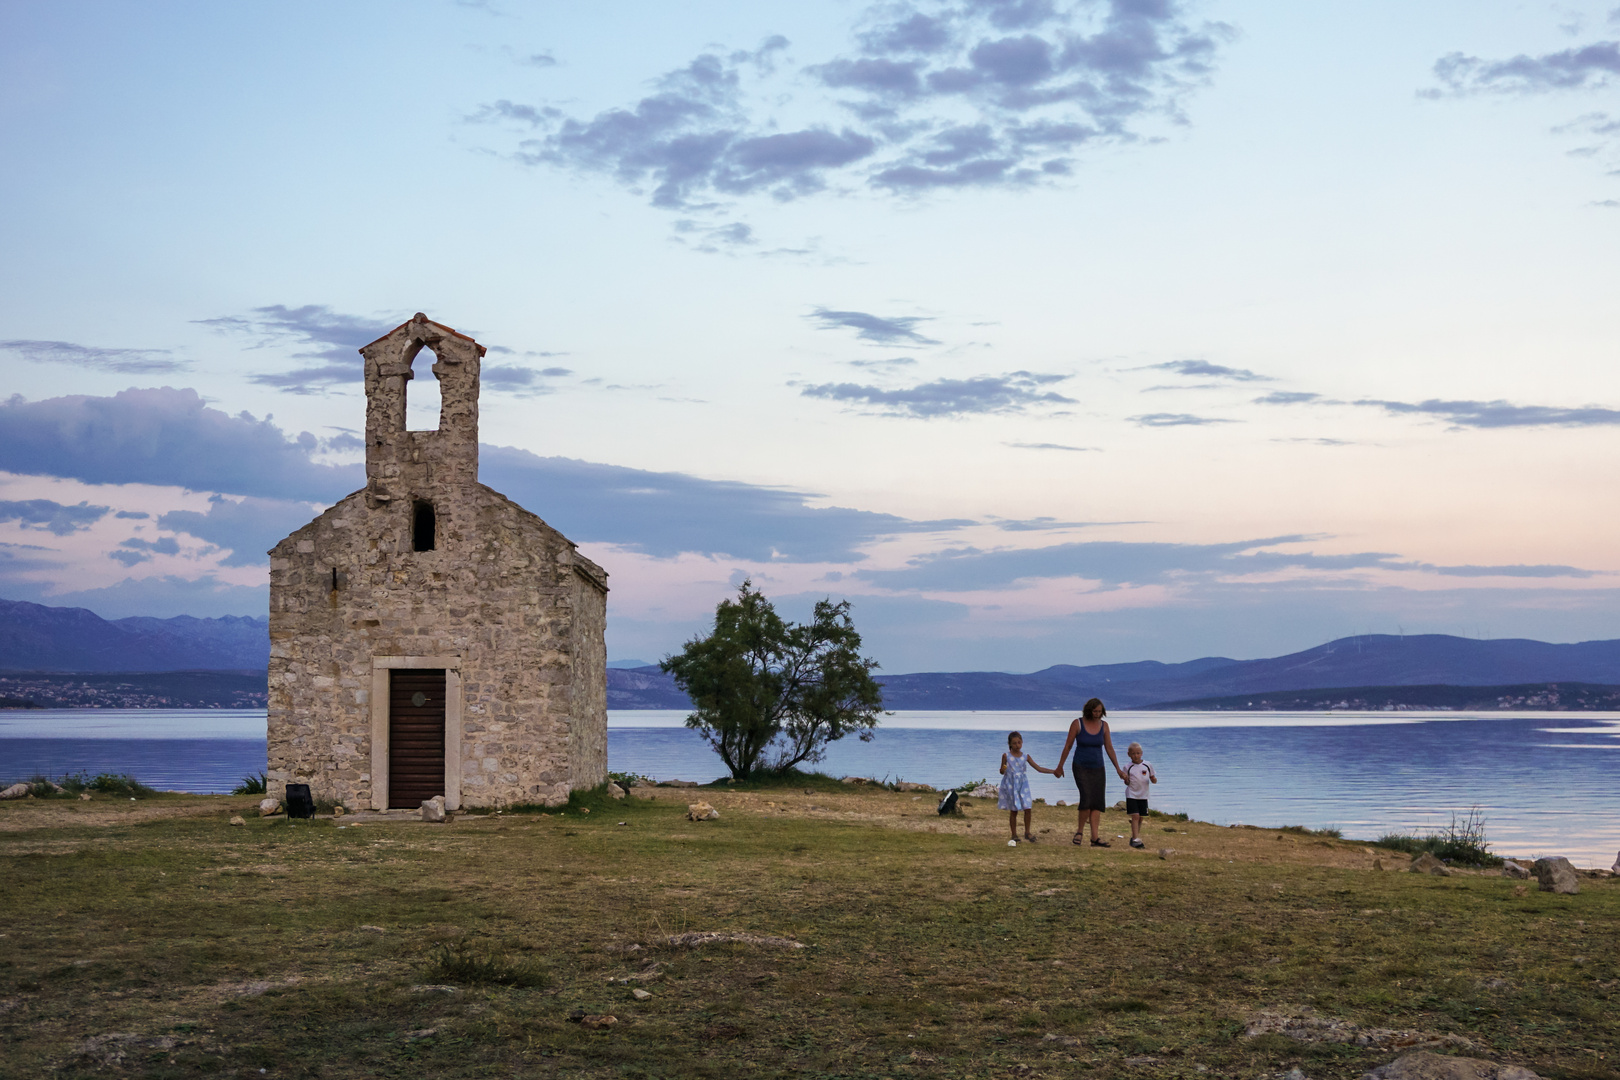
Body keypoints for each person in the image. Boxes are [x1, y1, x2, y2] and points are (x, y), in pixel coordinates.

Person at [1055, 697, 1126, 846]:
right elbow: (1068, 746)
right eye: (1095, 711)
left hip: (1098, 768)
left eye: (1100, 711)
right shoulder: (1077, 723)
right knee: (1086, 798)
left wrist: (1118, 769)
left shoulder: (1104, 726)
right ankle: (1079, 832)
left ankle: (1094, 838)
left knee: (1097, 802)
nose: (1097, 714)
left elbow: (1109, 748)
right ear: (1089, 710)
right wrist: (1060, 766)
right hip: (1080, 766)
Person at [998, 731, 1056, 845]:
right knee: (1014, 810)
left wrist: (1053, 771)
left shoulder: (1025, 756)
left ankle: (1027, 832)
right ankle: (1014, 834)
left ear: (1022, 743)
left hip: (1023, 785)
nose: (1017, 745)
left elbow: (1038, 768)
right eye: (1014, 743)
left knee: (1027, 808)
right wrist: (1004, 768)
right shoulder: (1006, 756)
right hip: (1011, 784)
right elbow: (1001, 771)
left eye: (1019, 742)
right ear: (1010, 744)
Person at [1122, 742, 1157, 849]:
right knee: (1135, 815)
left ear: (1141, 753)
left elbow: (1152, 777)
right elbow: (1126, 782)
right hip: (1132, 794)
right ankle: (1136, 838)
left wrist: (1153, 780)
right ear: (1129, 754)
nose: (1135, 756)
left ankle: (1134, 837)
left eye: (1137, 753)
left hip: (1143, 795)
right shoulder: (1127, 767)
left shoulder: (1147, 765)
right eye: (1133, 754)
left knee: (1141, 817)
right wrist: (1126, 780)